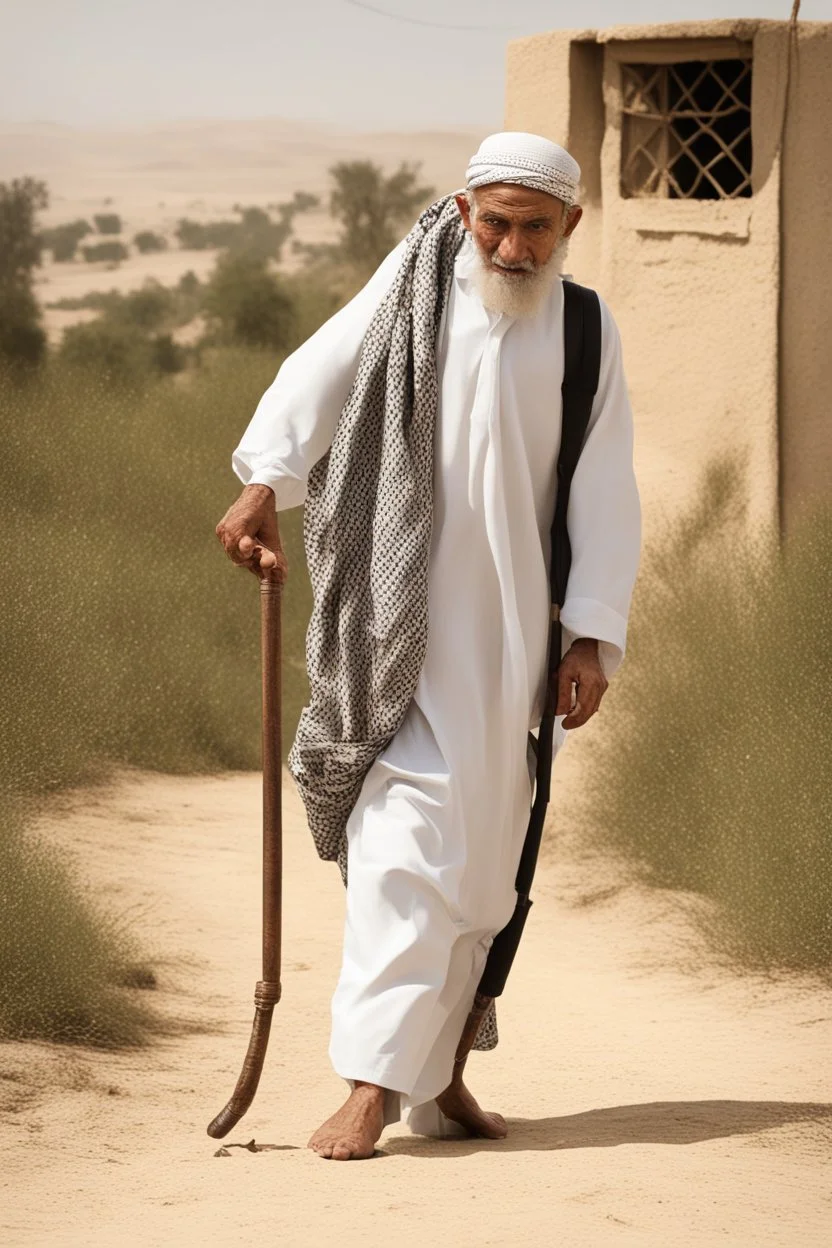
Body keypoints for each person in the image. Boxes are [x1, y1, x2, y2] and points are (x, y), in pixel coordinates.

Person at [216, 132, 641, 1160]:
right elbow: (314, 372)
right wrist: (264, 482)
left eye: (534, 226)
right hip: (394, 622)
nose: (510, 244)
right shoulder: (411, 292)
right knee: (405, 847)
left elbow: (603, 486)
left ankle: (441, 1072)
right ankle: (368, 1084)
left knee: (491, 861)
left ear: (569, 227)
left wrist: (588, 634)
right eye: (492, 221)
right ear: (462, 212)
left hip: (514, 641)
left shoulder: (583, 329)